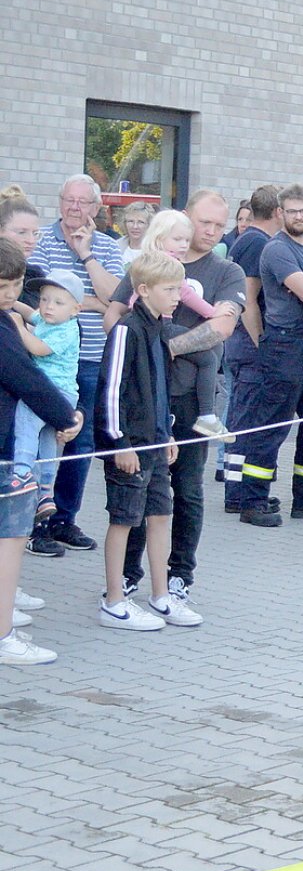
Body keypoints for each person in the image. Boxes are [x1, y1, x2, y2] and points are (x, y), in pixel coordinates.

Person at [111, 190, 245, 616]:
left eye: (219, 226)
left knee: (186, 491)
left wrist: (166, 348)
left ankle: (178, 577)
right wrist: (142, 350)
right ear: (184, 219)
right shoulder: (149, 262)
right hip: (145, 401)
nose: (209, 232)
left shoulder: (227, 270)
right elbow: (115, 313)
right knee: (139, 489)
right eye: (203, 222)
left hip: (189, 400)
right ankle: (128, 576)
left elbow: (222, 324)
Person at [223, 184, 303, 527]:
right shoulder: (275, 250)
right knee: (271, 427)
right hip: (284, 346)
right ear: (281, 213)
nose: (299, 216)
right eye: (293, 211)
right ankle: (253, 501)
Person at [31, 174, 126, 555]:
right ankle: (35, 522)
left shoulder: (106, 246)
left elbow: (118, 299)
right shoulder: (40, 240)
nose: (74, 208)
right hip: (47, 361)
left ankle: (64, 520)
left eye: (83, 202)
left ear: (97, 208)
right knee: (41, 442)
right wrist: (90, 300)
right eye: (68, 200)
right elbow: (39, 296)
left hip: (90, 360)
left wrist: (86, 256)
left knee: (81, 439)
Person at [95, 251, 189, 631]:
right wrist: (120, 443)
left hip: (153, 441)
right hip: (129, 445)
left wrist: (166, 433)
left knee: (161, 515)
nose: (177, 296)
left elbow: (160, 391)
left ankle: (161, 594)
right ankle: (114, 599)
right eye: (170, 289)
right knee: (123, 520)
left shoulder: (159, 328)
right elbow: (111, 390)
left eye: (179, 289)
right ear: (144, 290)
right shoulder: (126, 330)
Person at [0, 240, 81, 663]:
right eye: (4, 286)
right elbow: (26, 378)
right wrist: (68, 416)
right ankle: (3, 635)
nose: (11, 296)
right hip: (5, 449)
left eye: (16, 287)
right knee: (11, 538)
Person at [118, 209, 228, 438]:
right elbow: (186, 294)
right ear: (159, 239)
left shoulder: (146, 262)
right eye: (177, 239)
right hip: (161, 325)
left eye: (186, 240)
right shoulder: (168, 265)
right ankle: (207, 415)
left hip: (148, 323)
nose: (183, 245)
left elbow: (131, 299)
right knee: (209, 358)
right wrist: (213, 312)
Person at [219, 185, 282, 487]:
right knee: (246, 419)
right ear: (276, 212)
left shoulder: (247, 240)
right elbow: (249, 300)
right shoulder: (257, 243)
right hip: (248, 347)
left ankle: (236, 482)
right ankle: (237, 487)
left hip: (240, 345)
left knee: (242, 415)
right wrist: (262, 345)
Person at [11, 270, 81, 524]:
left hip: (53, 392)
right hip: (58, 394)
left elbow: (38, 349)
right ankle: (46, 493)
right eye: (44, 299)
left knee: (26, 424)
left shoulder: (67, 330)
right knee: (48, 444)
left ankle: (22, 472)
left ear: (76, 309)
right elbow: (31, 314)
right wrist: (11, 303)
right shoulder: (48, 319)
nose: (48, 307)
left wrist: (18, 327)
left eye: (58, 302)